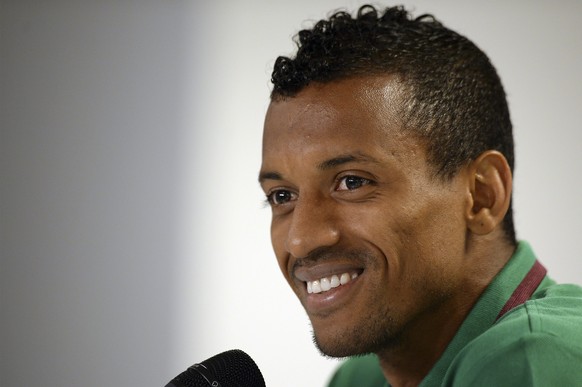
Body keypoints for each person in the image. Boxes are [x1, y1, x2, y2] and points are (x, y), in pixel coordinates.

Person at [258, 4, 582, 387]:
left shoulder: (530, 357)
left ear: (481, 196)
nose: (301, 238)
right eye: (282, 196)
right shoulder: (361, 378)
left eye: (352, 182)